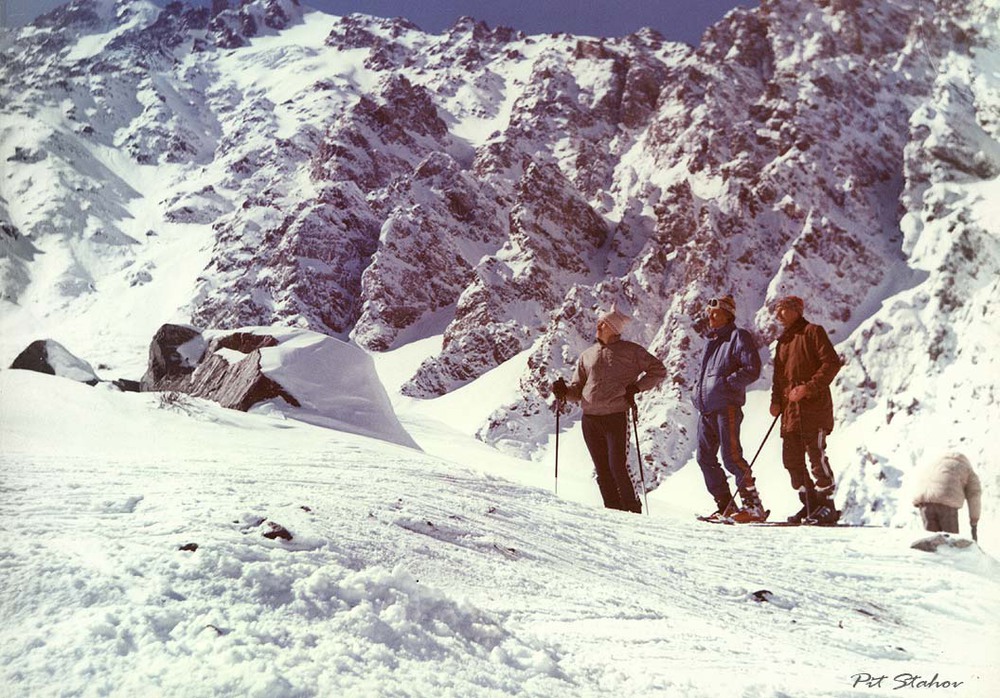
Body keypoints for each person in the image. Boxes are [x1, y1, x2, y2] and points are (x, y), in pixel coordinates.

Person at [552, 306, 666, 513]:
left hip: (616, 416)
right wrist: (563, 391)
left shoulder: (632, 351)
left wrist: (636, 387)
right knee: (602, 469)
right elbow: (578, 390)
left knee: (617, 466)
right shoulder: (587, 355)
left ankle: (633, 509)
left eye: (603, 323)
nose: (598, 325)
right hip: (590, 419)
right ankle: (612, 511)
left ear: (613, 328)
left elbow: (658, 370)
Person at [769, 295, 843, 524]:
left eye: (783, 310)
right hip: (790, 413)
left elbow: (831, 363)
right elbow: (779, 377)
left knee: (815, 457)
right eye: (777, 310)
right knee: (792, 461)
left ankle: (827, 506)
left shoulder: (813, 332)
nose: (778, 314)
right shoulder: (783, 342)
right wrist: (776, 400)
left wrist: (808, 388)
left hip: (814, 409)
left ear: (796, 310)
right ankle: (811, 505)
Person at [692, 295, 765, 522]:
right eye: (709, 313)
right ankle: (726, 506)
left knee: (731, 457)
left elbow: (752, 368)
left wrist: (725, 384)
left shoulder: (738, 337)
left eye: (715, 313)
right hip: (707, 410)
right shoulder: (711, 341)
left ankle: (754, 506)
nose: (710, 316)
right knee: (704, 458)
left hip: (726, 407)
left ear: (728, 314)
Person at [913, 452, 981, 541]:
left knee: (932, 544)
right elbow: (974, 495)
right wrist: (974, 522)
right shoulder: (967, 469)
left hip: (924, 503)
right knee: (951, 542)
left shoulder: (935, 464)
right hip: (947, 504)